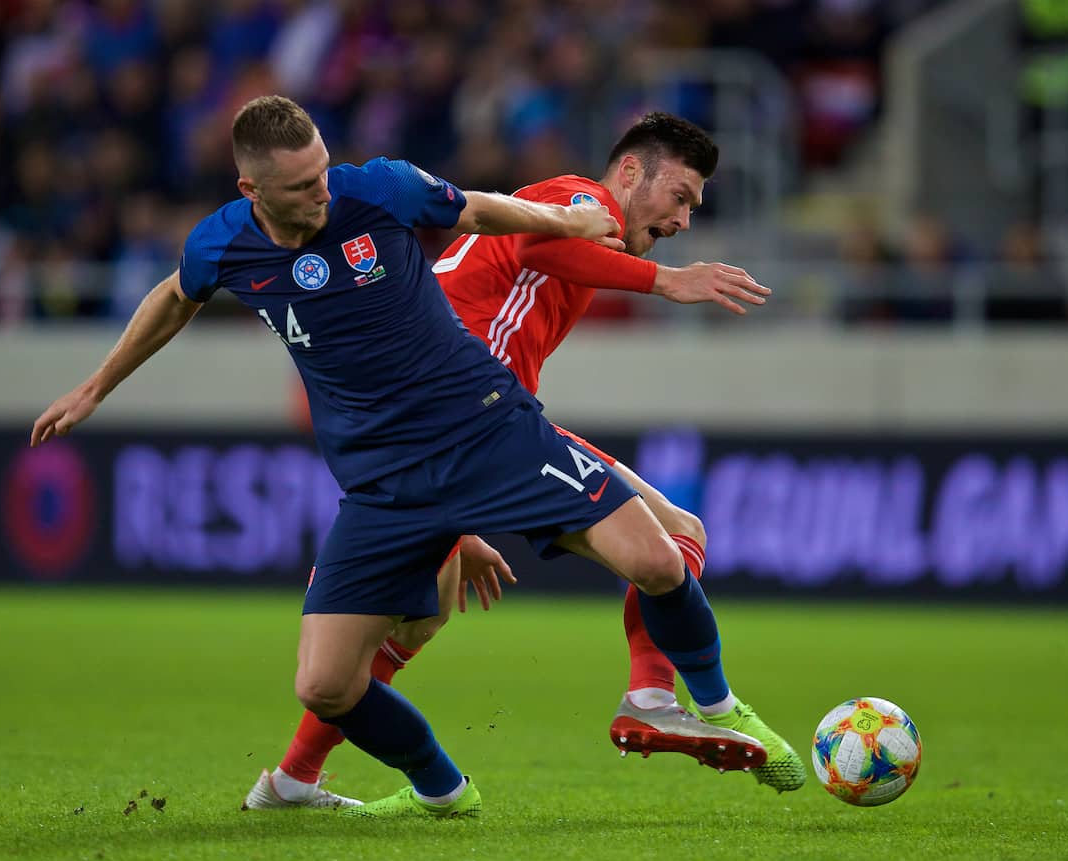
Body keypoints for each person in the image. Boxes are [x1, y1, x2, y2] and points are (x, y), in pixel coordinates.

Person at [32, 95, 773, 821]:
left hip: (481, 425)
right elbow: (173, 295)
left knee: (657, 551)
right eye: (300, 186)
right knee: (338, 673)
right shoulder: (223, 244)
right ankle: (424, 783)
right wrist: (98, 384)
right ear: (251, 191)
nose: (322, 192)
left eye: (323, 171)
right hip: (392, 471)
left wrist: (569, 222)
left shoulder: (375, 188)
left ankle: (681, 701)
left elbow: (487, 212)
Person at [242, 111, 806, 812]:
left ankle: (294, 779)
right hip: (467, 424)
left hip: (454, 433)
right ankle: (661, 695)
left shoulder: (574, 216)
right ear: (630, 172)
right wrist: (665, 281)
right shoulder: (584, 200)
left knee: (419, 620)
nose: (685, 219)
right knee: (675, 536)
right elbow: (541, 242)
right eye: (682, 196)